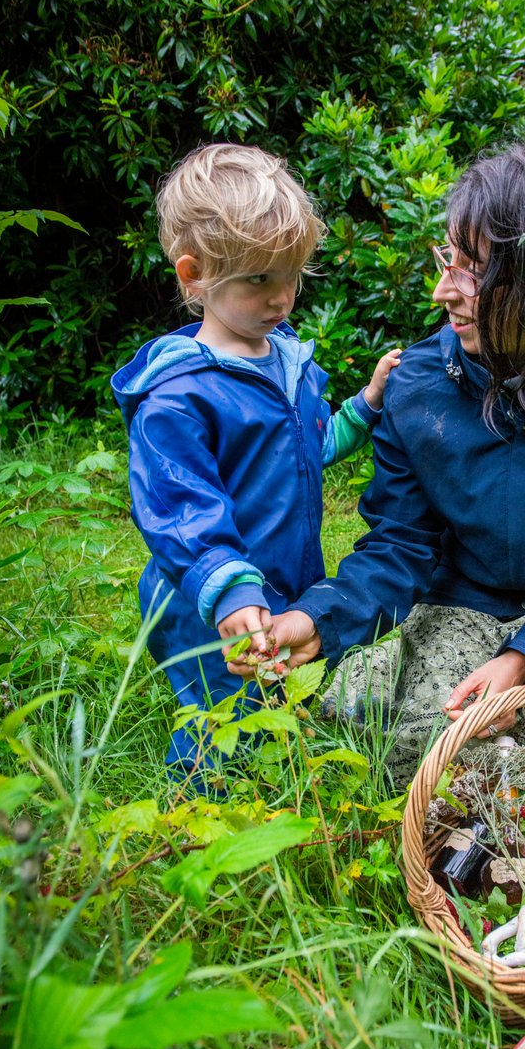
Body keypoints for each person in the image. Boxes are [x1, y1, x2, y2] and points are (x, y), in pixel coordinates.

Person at [264, 139, 525, 786]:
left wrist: (522, 659)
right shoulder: (417, 388)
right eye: (447, 258)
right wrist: (318, 619)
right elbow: (399, 547)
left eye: (472, 270)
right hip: (459, 599)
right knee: (373, 729)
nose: (443, 292)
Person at [112, 142, 400, 784]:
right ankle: (193, 804)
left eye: (291, 276)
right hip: (206, 595)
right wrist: (229, 589)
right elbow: (182, 509)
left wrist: (367, 405)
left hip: (281, 577)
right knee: (219, 710)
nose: (281, 298)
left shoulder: (283, 358)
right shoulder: (179, 396)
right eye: (259, 280)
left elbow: (308, 445)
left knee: (269, 695)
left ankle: (268, 779)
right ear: (194, 277)